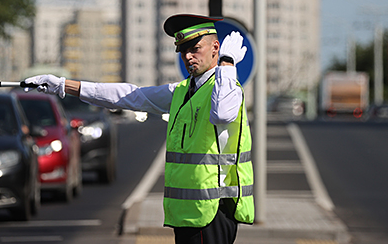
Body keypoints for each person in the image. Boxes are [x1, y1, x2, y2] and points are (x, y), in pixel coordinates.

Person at [25, 14, 254, 244]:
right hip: (190, 213)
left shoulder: (228, 88)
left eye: (195, 49)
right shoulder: (184, 91)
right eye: (183, 51)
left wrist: (227, 63)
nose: (188, 57)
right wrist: (64, 85)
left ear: (216, 47)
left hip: (213, 212)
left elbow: (222, 112)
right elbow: (128, 96)